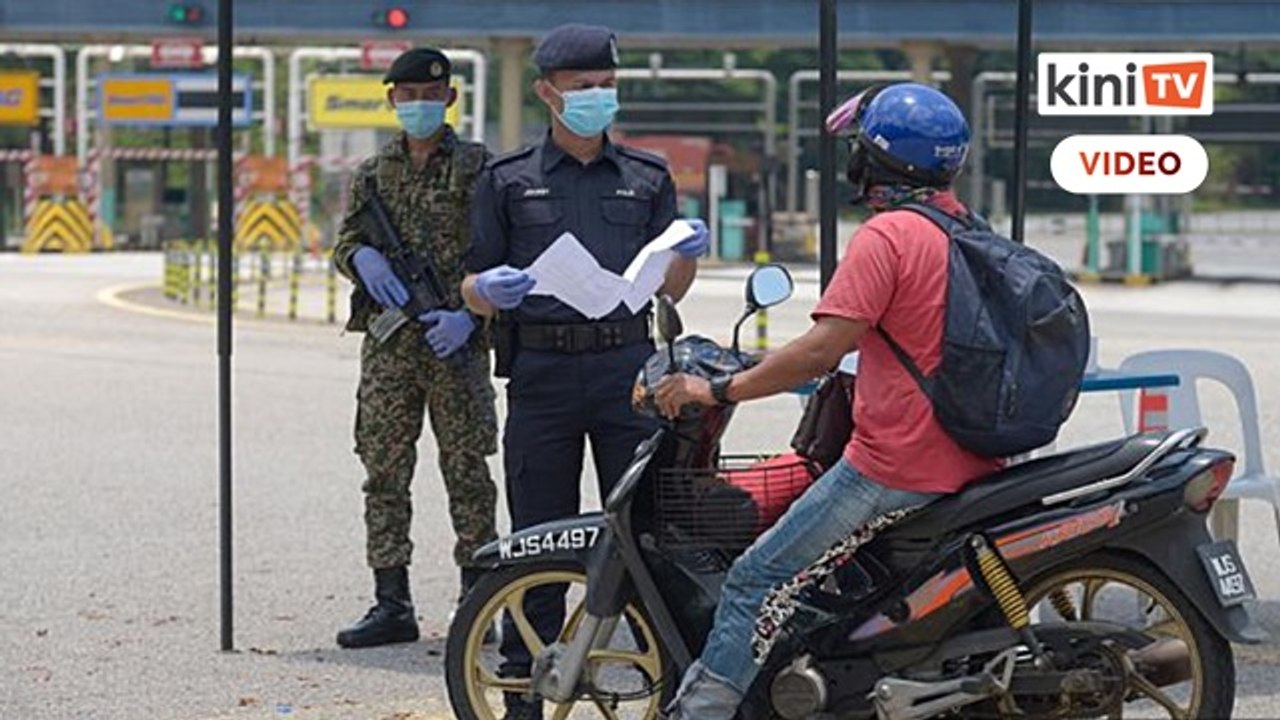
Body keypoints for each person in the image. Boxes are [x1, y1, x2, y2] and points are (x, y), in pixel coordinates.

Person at [653, 83, 1004, 718]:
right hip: (970, 456)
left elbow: (821, 349)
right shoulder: (966, 230)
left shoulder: (887, 237)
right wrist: (764, 364)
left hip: (894, 467)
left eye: (859, 147)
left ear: (878, 158)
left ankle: (701, 710)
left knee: (755, 580)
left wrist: (720, 387)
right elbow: (878, 346)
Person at [461, 23, 710, 720]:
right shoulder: (506, 180)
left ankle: (668, 686)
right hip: (540, 372)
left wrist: (686, 250)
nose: (598, 98)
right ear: (547, 92)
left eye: (607, 86)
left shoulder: (647, 177)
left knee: (645, 537)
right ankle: (520, 692)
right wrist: (488, 291)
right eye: (582, 89)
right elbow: (469, 282)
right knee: (535, 538)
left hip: (626, 372)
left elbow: (673, 289)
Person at [331, 47, 499, 649]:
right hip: (391, 348)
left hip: (455, 341)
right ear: (392, 101)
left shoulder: (481, 169)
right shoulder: (374, 173)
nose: (419, 105)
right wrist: (361, 259)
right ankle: (390, 600)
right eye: (407, 97)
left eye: (430, 96)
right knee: (383, 471)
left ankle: (479, 600)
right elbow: (346, 241)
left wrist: (466, 317)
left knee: (467, 474)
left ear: (450, 99)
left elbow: (500, 256)